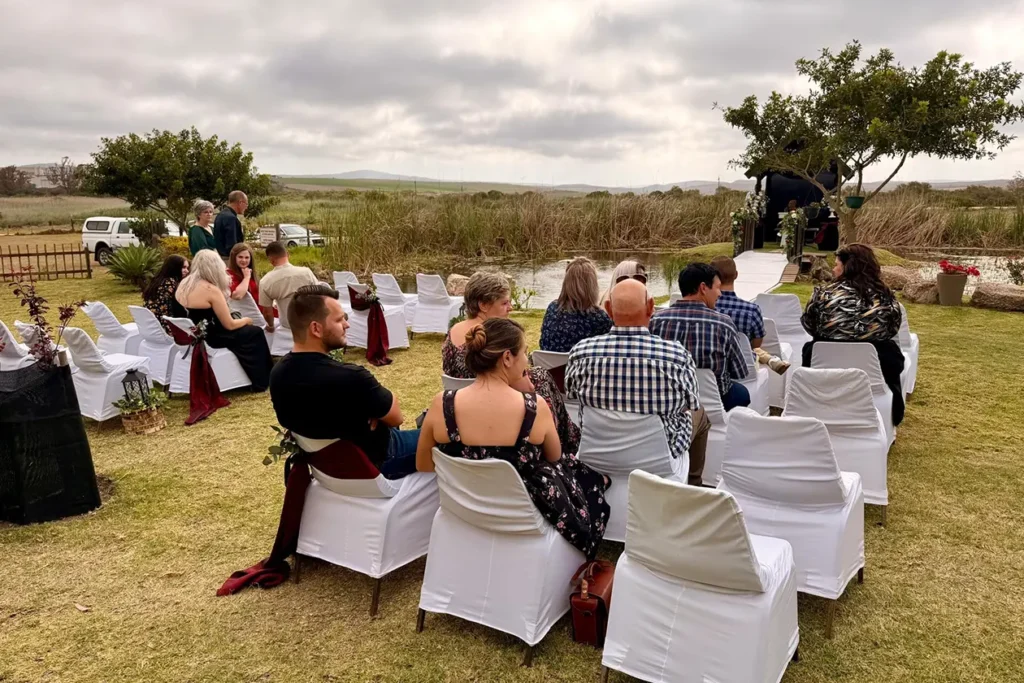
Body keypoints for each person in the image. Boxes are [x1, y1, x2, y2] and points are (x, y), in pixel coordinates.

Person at [418, 317, 609, 559]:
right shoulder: (533, 408)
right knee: (586, 480)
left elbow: (424, 464)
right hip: (525, 511)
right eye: (525, 353)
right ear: (507, 358)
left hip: (466, 508)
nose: (527, 361)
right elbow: (555, 456)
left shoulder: (441, 404)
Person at [566, 278, 710, 486]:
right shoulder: (676, 356)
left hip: (596, 455)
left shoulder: (581, 352)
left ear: (608, 309)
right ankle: (695, 485)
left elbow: (571, 394)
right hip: (660, 461)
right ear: (651, 307)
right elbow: (691, 403)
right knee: (700, 413)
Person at [270, 285, 419, 479]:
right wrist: (372, 411)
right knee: (444, 430)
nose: (346, 325)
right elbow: (396, 417)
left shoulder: (278, 375)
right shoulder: (351, 378)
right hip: (381, 462)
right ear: (316, 328)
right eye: (339, 319)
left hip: (328, 472)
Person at [443, 271, 580, 456]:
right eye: (504, 303)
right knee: (540, 376)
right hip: (504, 411)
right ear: (483, 305)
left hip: (464, 413)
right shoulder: (496, 342)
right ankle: (561, 444)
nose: (511, 308)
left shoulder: (453, 333)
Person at [801, 243, 905, 425]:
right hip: (874, 363)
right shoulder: (885, 297)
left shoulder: (823, 294)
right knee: (891, 352)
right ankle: (894, 411)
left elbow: (809, 324)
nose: (833, 270)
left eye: (836, 265)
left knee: (812, 347)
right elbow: (892, 329)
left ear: (847, 267)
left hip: (827, 360)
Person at [650, 263, 750, 411]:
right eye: (717, 287)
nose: (720, 294)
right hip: (717, 400)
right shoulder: (723, 324)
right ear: (703, 288)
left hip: (669, 397)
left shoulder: (655, 321)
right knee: (742, 393)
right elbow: (739, 372)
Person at [174, 249, 273, 391]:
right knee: (255, 332)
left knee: (249, 331)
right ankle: (262, 379)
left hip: (194, 334)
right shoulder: (211, 290)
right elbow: (230, 325)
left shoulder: (185, 284)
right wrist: (246, 320)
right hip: (213, 337)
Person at [710, 255, 790, 374]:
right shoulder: (752, 310)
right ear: (736, 275)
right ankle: (770, 359)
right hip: (744, 369)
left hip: (712, 368)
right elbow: (756, 344)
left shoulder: (705, 308)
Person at [539, 257, 612, 352]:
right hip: (581, 361)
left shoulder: (552, 308)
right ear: (592, 286)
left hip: (548, 361)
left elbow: (543, 344)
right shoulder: (599, 318)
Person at [259, 241, 318, 334]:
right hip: (310, 324)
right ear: (288, 254)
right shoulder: (306, 272)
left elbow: (267, 313)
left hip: (287, 327)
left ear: (271, 260)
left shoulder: (265, 281)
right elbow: (320, 296)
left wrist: (271, 325)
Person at [143, 254, 189, 334]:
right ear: (174, 267)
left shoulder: (157, 281)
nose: (187, 271)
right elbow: (179, 310)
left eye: (187, 268)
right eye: (183, 267)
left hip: (151, 325)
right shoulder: (170, 283)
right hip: (165, 327)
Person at [214, 191, 248, 259]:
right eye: (246, 204)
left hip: (220, 257)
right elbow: (232, 245)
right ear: (240, 202)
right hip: (229, 259)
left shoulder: (220, 215)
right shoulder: (231, 218)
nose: (246, 207)